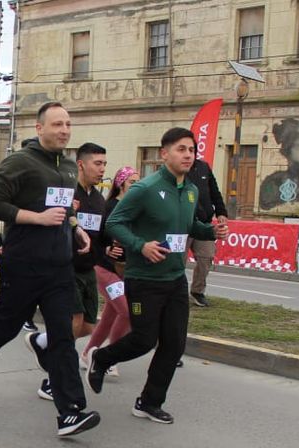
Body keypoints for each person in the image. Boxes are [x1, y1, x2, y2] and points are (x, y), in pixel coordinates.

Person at [0, 102, 100, 437]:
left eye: (67, 124)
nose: (64, 130)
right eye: (57, 124)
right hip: (23, 264)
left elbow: (63, 208)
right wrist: (37, 218)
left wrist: (76, 227)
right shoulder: (19, 162)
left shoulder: (67, 166)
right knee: (5, 327)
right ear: (39, 128)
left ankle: (70, 412)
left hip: (59, 267)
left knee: (63, 337)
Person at [86, 127, 230, 423]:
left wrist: (211, 230)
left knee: (174, 344)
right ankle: (101, 357)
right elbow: (114, 223)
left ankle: (149, 402)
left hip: (175, 278)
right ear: (164, 154)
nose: (188, 155)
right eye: (181, 149)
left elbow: (190, 227)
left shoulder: (190, 191)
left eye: (191, 150)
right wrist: (141, 245)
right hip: (144, 279)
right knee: (143, 339)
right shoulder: (145, 189)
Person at [23, 141, 107, 401]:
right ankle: (53, 379)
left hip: (88, 269)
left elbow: (101, 231)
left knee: (88, 327)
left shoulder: (98, 198)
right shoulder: (67, 193)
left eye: (104, 163)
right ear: (81, 164)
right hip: (64, 267)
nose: (102, 169)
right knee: (72, 323)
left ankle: (42, 342)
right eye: (97, 163)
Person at [81, 166, 138, 375]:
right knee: (127, 311)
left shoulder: (135, 207)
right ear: (120, 184)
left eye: (138, 182)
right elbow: (99, 236)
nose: (136, 186)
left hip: (124, 269)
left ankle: (87, 353)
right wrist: (106, 248)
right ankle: (110, 357)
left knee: (110, 316)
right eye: (132, 182)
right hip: (104, 268)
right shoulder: (110, 206)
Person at [187, 154, 229, 307]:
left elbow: (215, 192)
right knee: (177, 260)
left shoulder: (204, 167)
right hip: (184, 223)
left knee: (207, 256)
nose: (187, 154)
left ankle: (197, 291)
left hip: (204, 222)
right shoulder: (176, 169)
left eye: (191, 149)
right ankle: (172, 290)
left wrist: (221, 212)